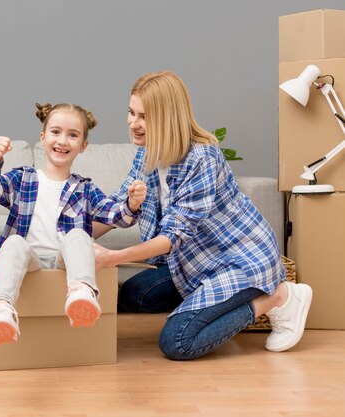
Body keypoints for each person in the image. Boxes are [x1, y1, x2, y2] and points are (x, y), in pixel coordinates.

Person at [94, 71, 313, 360]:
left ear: (167, 118)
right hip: (196, 261)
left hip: (239, 260)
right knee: (135, 295)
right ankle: (209, 305)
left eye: (143, 117)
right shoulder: (147, 154)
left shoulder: (202, 158)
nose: (133, 124)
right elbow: (118, 208)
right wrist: (73, 235)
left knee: (178, 342)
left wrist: (112, 257)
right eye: (131, 112)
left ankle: (279, 297)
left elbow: (173, 236)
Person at [0, 102, 146, 345]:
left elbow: (116, 216)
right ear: (43, 137)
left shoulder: (84, 189)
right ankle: (2, 308)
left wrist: (132, 203)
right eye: (56, 132)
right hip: (29, 261)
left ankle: (81, 292)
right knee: (12, 242)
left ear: (83, 146)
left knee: (79, 236)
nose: (63, 141)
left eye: (73, 135)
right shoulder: (24, 178)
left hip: (62, 263)